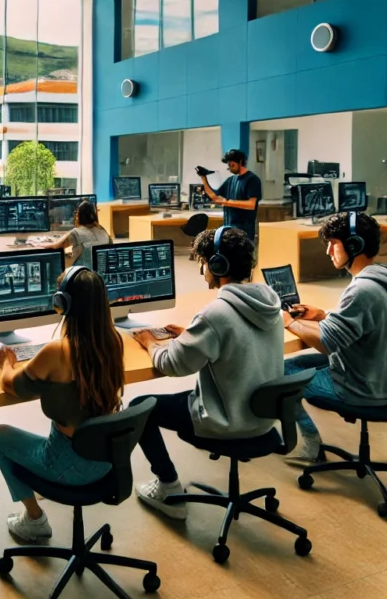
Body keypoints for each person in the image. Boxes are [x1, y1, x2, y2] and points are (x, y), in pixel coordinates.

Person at [130, 227, 283, 519]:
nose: (202, 270)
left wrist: (149, 342)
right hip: (262, 418)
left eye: (203, 262)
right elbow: (234, 337)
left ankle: (168, 488)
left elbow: (172, 364)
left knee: (140, 408)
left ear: (217, 265)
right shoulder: (269, 302)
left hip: (227, 421)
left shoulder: (216, 313)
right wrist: (192, 334)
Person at [0, 267, 125, 542]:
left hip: (67, 462)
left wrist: (7, 361)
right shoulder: (114, 341)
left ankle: (34, 519)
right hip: (106, 460)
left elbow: (11, 385)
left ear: (62, 304)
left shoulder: (58, 350)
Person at [282, 211, 387, 464]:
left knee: (284, 373)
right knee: (298, 363)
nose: (328, 251)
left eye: (333, 243)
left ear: (354, 245)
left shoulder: (361, 290)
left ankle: (311, 445)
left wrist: (289, 322)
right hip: (377, 372)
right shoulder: (380, 278)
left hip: (363, 388)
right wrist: (323, 315)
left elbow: (328, 344)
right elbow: (367, 320)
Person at [198, 149, 262, 242]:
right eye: (229, 165)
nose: (230, 168)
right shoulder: (230, 180)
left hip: (244, 231)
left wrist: (226, 202)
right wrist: (203, 178)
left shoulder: (252, 180)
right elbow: (214, 197)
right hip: (228, 230)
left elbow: (251, 204)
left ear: (241, 162)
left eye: (232, 165)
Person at [44, 200, 111, 267]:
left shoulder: (76, 233)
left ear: (79, 216)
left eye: (77, 214)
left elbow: (55, 246)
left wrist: (39, 244)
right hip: (101, 271)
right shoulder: (102, 230)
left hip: (83, 271)